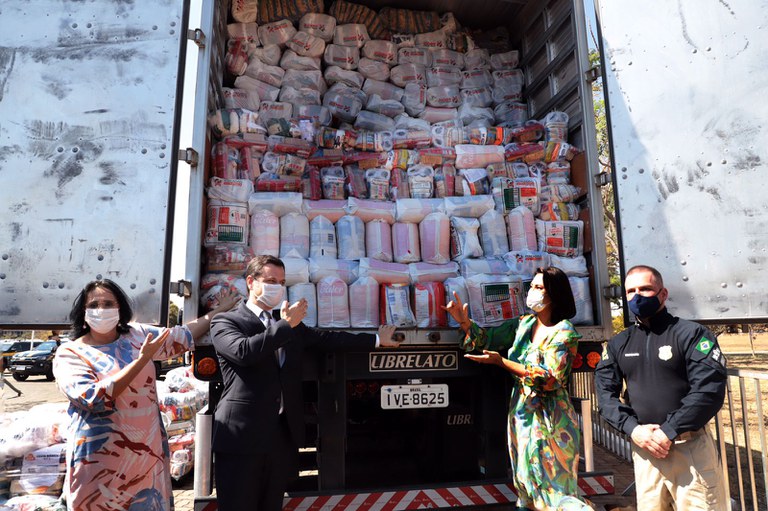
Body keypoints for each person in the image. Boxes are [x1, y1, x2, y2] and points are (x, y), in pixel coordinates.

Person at [210, 255, 400, 511]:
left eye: (281, 282)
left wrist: (376, 340)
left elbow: (327, 339)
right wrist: (285, 325)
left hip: (279, 436)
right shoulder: (227, 321)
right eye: (269, 281)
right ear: (250, 283)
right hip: (242, 437)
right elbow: (244, 352)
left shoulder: (288, 325)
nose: (276, 287)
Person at [52, 279, 238, 511]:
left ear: (120, 309)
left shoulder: (136, 335)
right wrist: (141, 361)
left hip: (145, 456)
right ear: (83, 311)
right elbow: (93, 397)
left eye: (109, 304)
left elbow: (180, 337)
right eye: (95, 305)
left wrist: (219, 311)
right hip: (100, 463)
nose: (102, 310)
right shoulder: (70, 353)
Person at [443, 267, 591, 510]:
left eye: (539, 287)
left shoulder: (565, 333)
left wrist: (502, 362)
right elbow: (487, 340)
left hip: (551, 419)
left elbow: (550, 378)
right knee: (526, 482)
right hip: (522, 415)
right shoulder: (523, 324)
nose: (532, 292)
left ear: (555, 294)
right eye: (531, 286)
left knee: (555, 487)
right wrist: (464, 322)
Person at [594, 265, 728, 510]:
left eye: (645, 289)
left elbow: (708, 391)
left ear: (663, 294)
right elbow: (605, 395)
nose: (637, 296)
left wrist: (669, 430)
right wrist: (633, 429)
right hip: (644, 451)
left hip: (689, 449)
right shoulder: (618, 343)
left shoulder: (693, 335)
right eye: (631, 291)